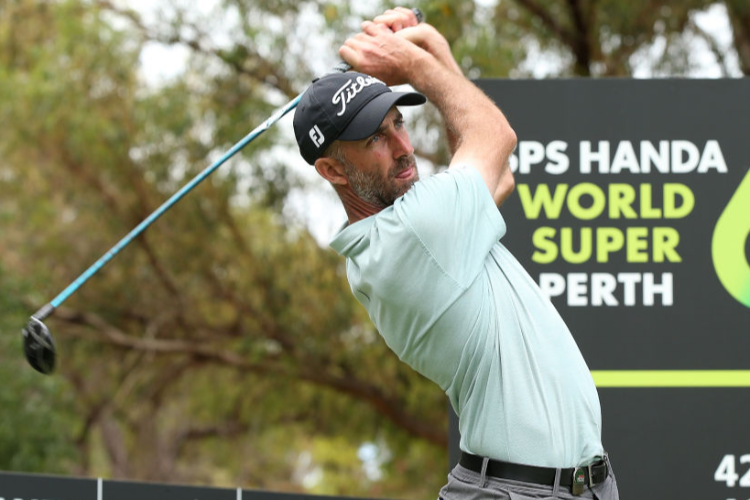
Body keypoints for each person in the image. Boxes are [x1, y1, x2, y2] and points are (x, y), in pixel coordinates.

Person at [293, 7, 619, 500]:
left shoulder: (412, 231)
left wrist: (433, 53)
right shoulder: (415, 232)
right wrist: (415, 65)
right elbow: (496, 138)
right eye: (375, 138)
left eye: (399, 123)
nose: (402, 146)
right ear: (333, 171)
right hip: (519, 492)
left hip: (572, 486)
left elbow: (496, 173)